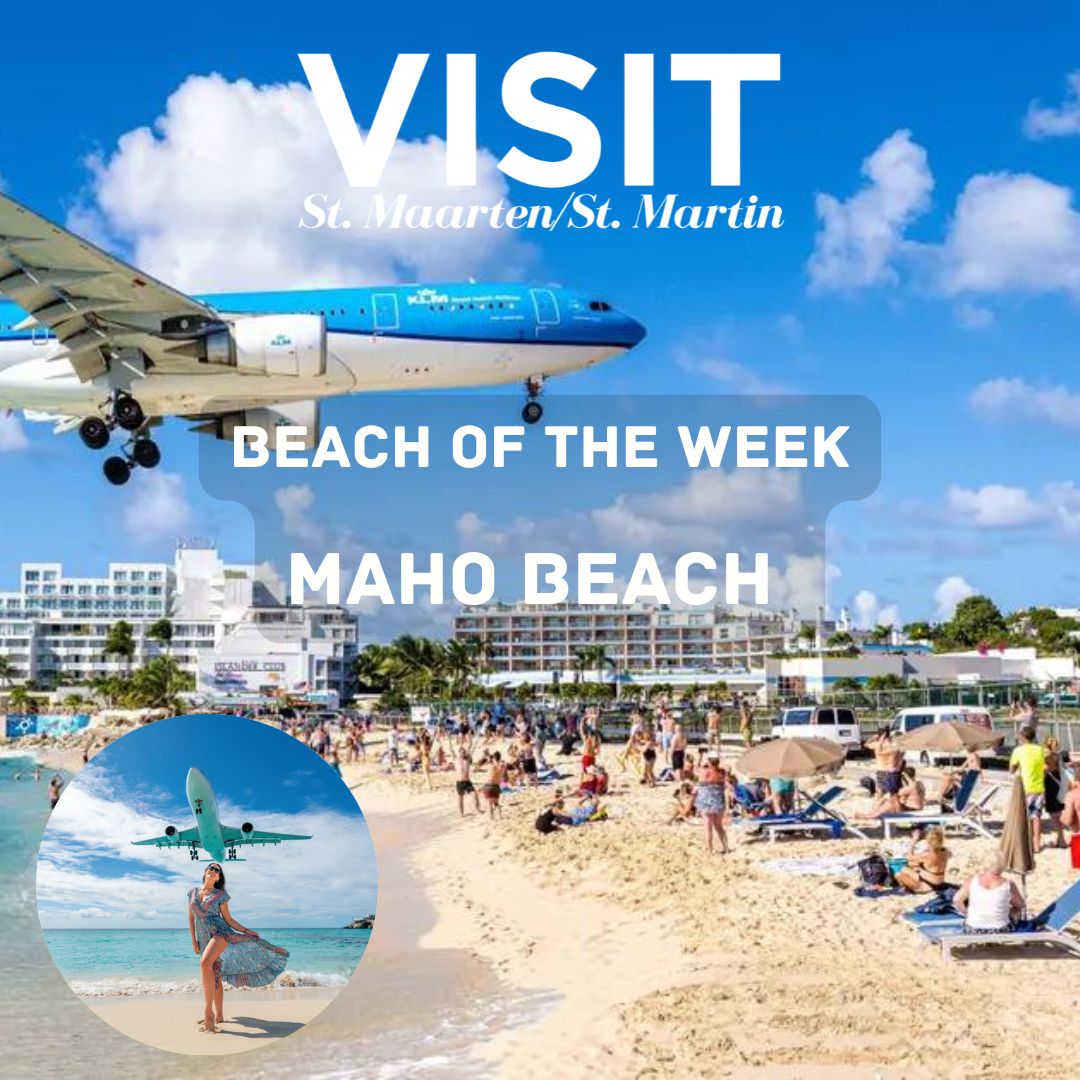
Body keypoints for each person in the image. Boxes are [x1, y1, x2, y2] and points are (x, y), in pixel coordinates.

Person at [188, 863, 288, 1034]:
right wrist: (194, 940)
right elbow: (191, 917)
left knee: (205, 964)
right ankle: (219, 1015)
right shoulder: (192, 892)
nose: (213, 870)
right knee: (214, 973)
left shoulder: (220, 895)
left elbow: (229, 919)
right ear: (205, 872)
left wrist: (247, 931)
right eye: (210, 868)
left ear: (219, 877)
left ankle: (208, 1014)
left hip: (219, 933)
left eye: (217, 870)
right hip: (203, 938)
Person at [952, 855, 1025, 934]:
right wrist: (1009, 911)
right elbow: (1021, 905)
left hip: (974, 928)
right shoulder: (1008, 884)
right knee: (1016, 912)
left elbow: (957, 900)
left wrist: (967, 913)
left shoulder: (972, 881)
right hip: (1000, 930)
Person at [1010, 726, 1046, 854]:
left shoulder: (1018, 750)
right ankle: (1037, 844)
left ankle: (1026, 843)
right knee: (1036, 816)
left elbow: (1011, 770)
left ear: (1022, 737)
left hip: (1025, 787)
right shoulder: (1040, 749)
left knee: (1023, 817)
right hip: (1039, 787)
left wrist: (1017, 765)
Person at [895, 826, 950, 894]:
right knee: (904, 869)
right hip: (939, 881)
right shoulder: (946, 851)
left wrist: (914, 840)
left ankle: (908, 889)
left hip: (928, 886)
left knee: (898, 874)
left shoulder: (926, 855)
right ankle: (907, 887)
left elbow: (908, 857)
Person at [695, 756, 730, 855]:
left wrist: (700, 757)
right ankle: (726, 847)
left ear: (709, 762)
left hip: (706, 800)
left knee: (708, 827)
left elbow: (695, 770)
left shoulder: (704, 771)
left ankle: (710, 850)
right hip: (719, 800)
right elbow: (727, 779)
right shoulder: (722, 772)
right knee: (719, 826)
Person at [866, 726, 903, 815]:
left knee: (879, 793)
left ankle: (874, 810)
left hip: (881, 770)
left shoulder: (877, 745)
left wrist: (874, 737)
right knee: (892, 795)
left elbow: (866, 744)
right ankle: (889, 810)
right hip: (893, 771)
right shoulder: (893, 745)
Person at [1044, 735, 1067, 849]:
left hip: (1050, 787)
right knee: (1058, 815)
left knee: (1054, 816)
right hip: (1059, 787)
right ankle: (1060, 839)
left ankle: (1061, 840)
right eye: (1056, 745)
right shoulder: (1058, 756)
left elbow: (1044, 771)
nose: (1057, 747)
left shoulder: (1047, 757)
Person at [456, 748, 481, 816]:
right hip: (459, 782)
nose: (462, 754)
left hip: (467, 782)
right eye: (461, 752)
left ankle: (478, 809)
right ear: (458, 753)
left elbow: (471, 757)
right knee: (460, 799)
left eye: (463, 752)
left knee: (475, 794)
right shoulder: (456, 761)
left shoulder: (467, 761)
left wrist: (467, 753)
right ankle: (461, 813)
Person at [482, 752, 505, 819]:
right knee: (496, 803)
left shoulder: (491, 766)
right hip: (497, 785)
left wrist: (489, 759)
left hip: (489, 785)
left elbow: (483, 765)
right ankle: (500, 816)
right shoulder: (502, 766)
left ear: (494, 758)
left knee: (490, 804)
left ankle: (491, 817)